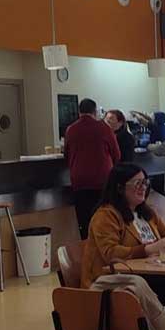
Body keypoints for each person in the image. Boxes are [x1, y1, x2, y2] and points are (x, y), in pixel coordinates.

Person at [65, 98, 121, 239]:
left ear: (79, 111)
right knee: (104, 221)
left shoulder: (71, 129)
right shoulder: (104, 128)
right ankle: (104, 251)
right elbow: (116, 154)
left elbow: (67, 155)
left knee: (85, 222)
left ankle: (87, 251)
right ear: (95, 111)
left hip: (79, 182)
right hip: (102, 181)